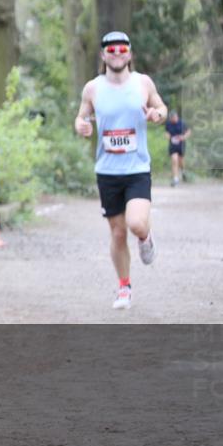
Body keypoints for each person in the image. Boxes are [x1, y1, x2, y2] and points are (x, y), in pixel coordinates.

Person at [74, 31, 167, 310]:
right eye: (111, 50)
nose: (117, 54)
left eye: (122, 49)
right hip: (107, 171)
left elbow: (161, 107)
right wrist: (81, 125)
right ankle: (124, 286)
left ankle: (145, 237)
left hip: (137, 167)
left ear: (129, 53)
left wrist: (156, 115)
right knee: (116, 233)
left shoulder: (142, 83)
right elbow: (82, 115)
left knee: (136, 223)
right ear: (103, 55)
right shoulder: (93, 88)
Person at [165, 110, 191, 186]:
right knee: (174, 160)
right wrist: (168, 136)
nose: (173, 119)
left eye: (174, 118)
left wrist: (183, 137)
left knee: (181, 161)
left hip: (181, 144)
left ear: (176, 117)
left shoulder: (182, 123)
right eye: (171, 118)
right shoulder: (168, 124)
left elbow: (188, 131)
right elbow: (166, 132)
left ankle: (183, 171)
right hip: (173, 145)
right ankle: (175, 179)